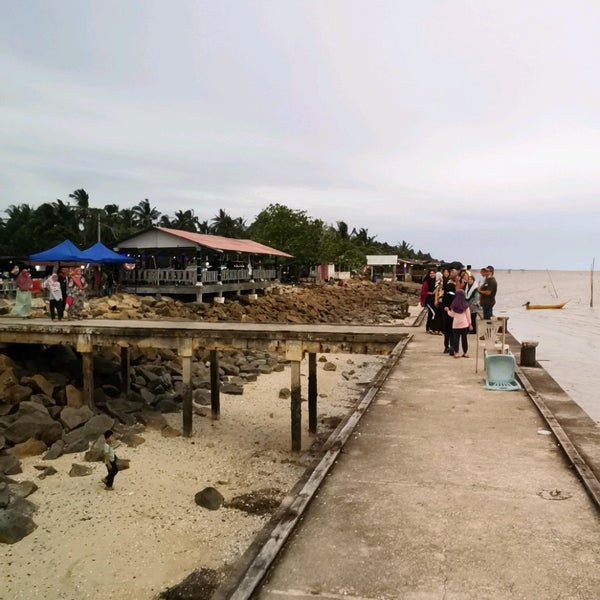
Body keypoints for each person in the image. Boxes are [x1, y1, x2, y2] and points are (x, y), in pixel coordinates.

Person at [444, 288, 472, 358]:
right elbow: (468, 316)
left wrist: (447, 310)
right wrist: (470, 324)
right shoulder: (465, 305)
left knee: (456, 339)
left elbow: (451, 315)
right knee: (464, 339)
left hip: (456, 324)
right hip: (464, 324)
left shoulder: (454, 305)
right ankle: (465, 352)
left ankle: (456, 353)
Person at [420, 269, 438, 334]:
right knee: (433, 313)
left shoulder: (436, 281)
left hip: (434, 300)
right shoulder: (426, 282)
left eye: (433, 273)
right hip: (428, 300)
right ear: (429, 274)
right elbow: (423, 292)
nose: (432, 274)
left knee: (431, 314)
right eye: (431, 273)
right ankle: (430, 328)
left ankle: (428, 328)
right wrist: (430, 293)